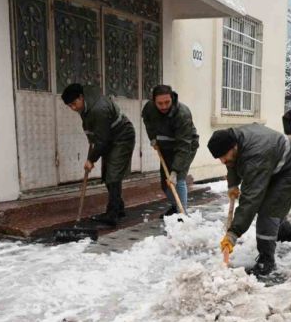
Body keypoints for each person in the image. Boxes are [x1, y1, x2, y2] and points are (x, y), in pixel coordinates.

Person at [208, 124, 291, 276]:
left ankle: (266, 261)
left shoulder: (255, 156)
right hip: (275, 163)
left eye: (224, 156)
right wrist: (233, 184)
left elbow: (251, 199)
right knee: (270, 204)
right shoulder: (232, 139)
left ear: (234, 146)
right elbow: (232, 163)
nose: (223, 161)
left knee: (268, 210)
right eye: (220, 158)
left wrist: (234, 232)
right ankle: (284, 231)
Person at [61, 83, 136, 226]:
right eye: (69, 106)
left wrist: (91, 159)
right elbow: (94, 130)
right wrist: (92, 140)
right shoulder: (87, 105)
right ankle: (118, 208)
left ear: (81, 97)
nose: (73, 108)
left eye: (74, 103)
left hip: (122, 137)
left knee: (113, 175)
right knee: (108, 173)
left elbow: (103, 139)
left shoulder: (98, 108)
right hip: (109, 137)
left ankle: (112, 214)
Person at [142, 85, 199, 218]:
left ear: (172, 98)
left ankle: (182, 214)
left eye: (167, 102)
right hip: (165, 146)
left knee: (177, 179)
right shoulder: (149, 108)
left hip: (185, 146)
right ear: (153, 101)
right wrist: (152, 138)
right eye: (160, 103)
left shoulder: (182, 114)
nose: (163, 106)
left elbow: (183, 146)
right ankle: (175, 206)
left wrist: (175, 171)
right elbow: (148, 122)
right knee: (165, 183)